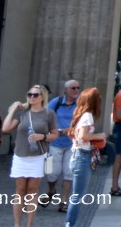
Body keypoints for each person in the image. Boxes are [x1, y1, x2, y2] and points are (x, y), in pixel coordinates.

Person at [2, 83, 59, 227]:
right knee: (20, 190)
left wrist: (42, 136)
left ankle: (29, 224)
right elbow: (6, 128)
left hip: (38, 156)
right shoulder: (23, 113)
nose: (32, 97)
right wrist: (13, 109)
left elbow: (54, 135)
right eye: (29, 95)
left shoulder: (49, 114)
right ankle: (17, 224)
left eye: (35, 95)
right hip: (21, 155)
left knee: (33, 190)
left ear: (42, 97)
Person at [65, 88, 104, 227]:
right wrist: (99, 136)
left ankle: (70, 224)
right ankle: (70, 225)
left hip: (77, 155)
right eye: (98, 97)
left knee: (76, 195)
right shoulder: (87, 116)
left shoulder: (81, 114)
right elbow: (84, 136)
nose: (100, 99)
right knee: (76, 197)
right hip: (82, 156)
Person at [45, 79, 81, 209]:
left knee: (69, 172)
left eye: (77, 88)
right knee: (51, 172)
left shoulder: (80, 104)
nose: (76, 90)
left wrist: (70, 130)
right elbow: (45, 116)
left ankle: (64, 201)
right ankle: (51, 190)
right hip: (55, 142)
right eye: (73, 88)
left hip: (72, 144)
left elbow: (83, 122)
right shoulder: (57, 102)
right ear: (66, 90)